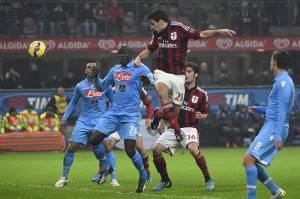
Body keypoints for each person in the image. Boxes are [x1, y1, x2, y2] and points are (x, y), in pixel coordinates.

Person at [134, 9, 236, 142]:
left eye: (153, 24)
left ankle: (159, 113)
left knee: (175, 114)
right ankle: (177, 132)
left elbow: (202, 34)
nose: (152, 27)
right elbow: (150, 49)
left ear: (160, 22)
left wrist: (218, 31)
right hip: (162, 72)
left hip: (179, 77)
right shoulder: (156, 33)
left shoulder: (179, 28)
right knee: (160, 89)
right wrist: (138, 58)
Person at [91, 45, 155, 193]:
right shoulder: (115, 70)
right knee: (94, 140)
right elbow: (101, 87)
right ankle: (105, 167)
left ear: (130, 55)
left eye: (124, 54)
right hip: (113, 114)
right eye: (119, 54)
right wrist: (95, 77)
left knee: (130, 149)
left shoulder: (139, 67)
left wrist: (149, 79)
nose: (121, 56)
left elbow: (153, 80)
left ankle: (143, 175)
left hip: (131, 116)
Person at [151, 62, 215, 192]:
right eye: (184, 71)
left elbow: (205, 114)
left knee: (193, 148)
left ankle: (208, 179)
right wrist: (163, 121)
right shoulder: (176, 88)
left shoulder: (202, 94)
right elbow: (169, 108)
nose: (185, 74)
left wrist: (201, 116)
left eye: (189, 71)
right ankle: (165, 181)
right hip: (175, 128)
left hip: (190, 127)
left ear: (196, 74)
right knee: (156, 150)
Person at [55, 60, 117, 187]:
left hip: (101, 121)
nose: (88, 69)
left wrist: (110, 117)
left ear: (96, 70)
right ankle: (64, 177)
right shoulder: (80, 86)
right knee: (71, 147)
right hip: (84, 121)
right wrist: (65, 118)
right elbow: (73, 103)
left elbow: (113, 102)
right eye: (87, 67)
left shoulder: (105, 85)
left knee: (107, 147)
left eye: (91, 67)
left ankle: (113, 179)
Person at [243, 50, 295, 199]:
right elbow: (275, 109)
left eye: (271, 59)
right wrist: (259, 109)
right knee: (251, 161)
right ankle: (275, 191)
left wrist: (278, 135)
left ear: (275, 62)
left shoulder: (283, 82)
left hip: (274, 128)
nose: (270, 62)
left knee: (248, 160)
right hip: (271, 126)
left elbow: (284, 111)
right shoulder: (280, 81)